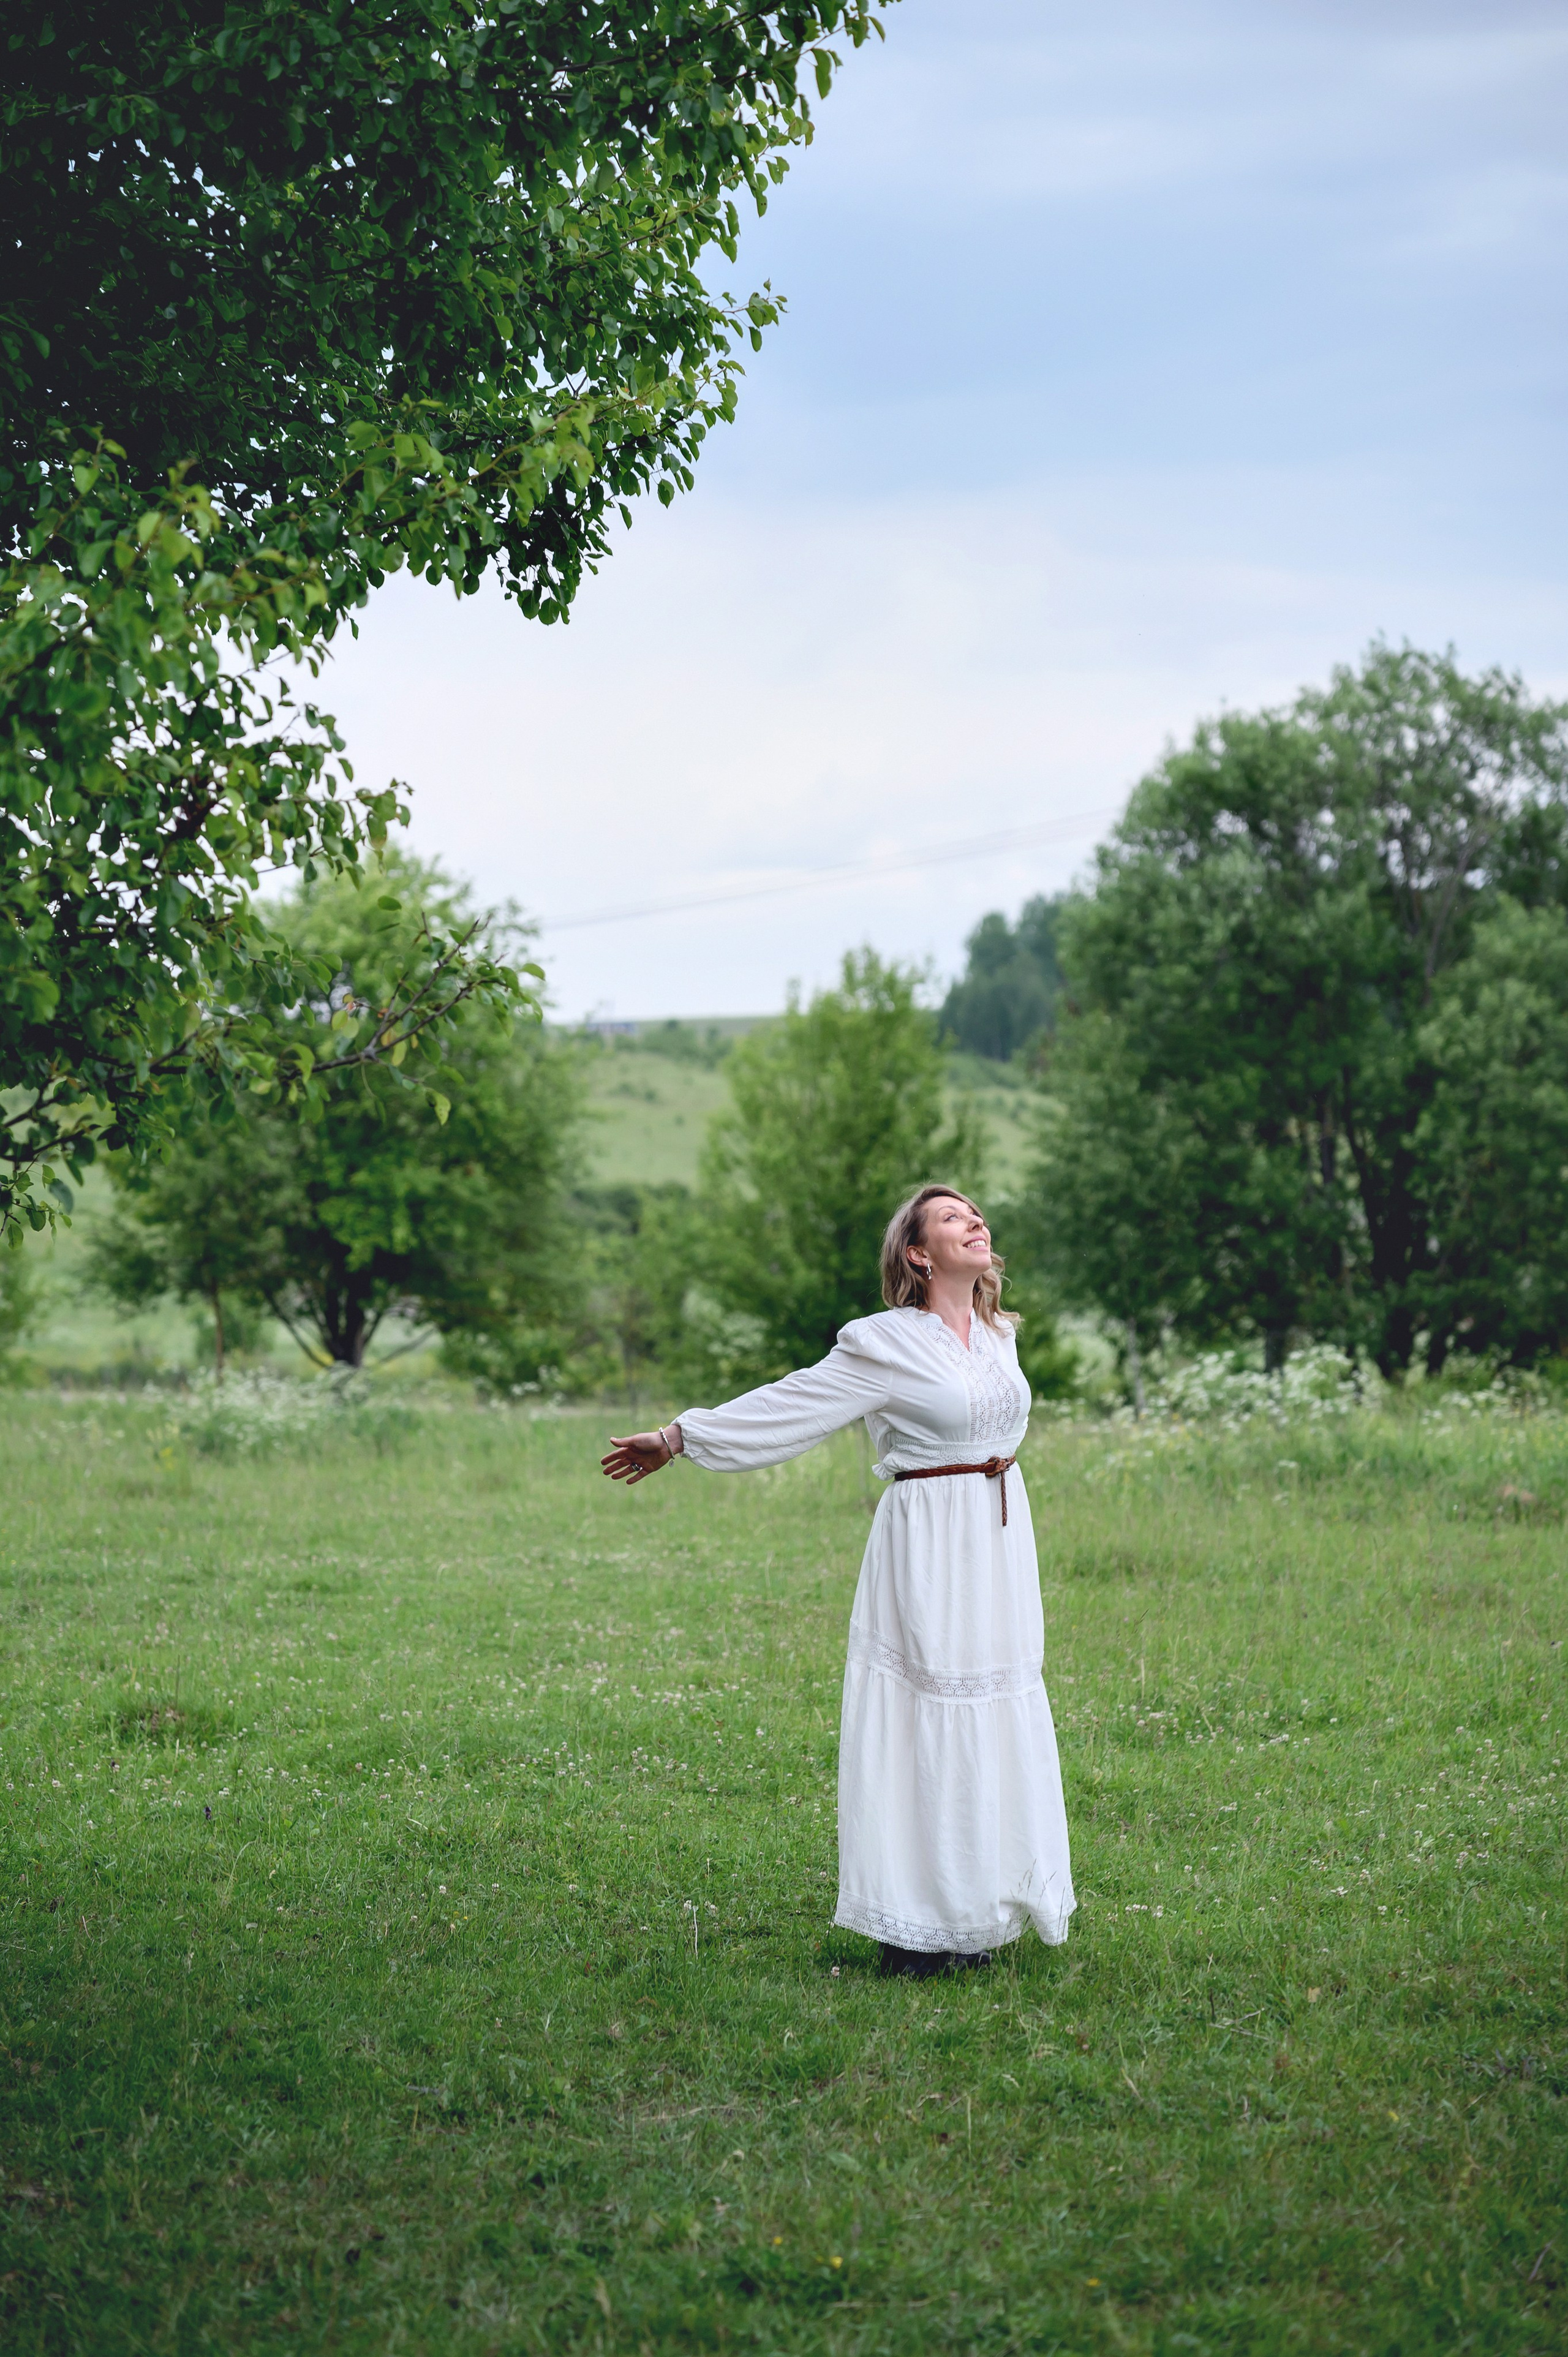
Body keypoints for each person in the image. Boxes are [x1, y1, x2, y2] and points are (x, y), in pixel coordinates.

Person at [601, 1185, 1074, 1977]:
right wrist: (683, 1436)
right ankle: (917, 1930)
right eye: (954, 1218)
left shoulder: (999, 1337)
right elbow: (799, 1401)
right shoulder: (885, 1343)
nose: (976, 1223)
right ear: (919, 1254)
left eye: (977, 1214)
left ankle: (984, 1910)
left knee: (994, 1709)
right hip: (928, 1543)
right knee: (928, 1715)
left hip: (997, 1537)